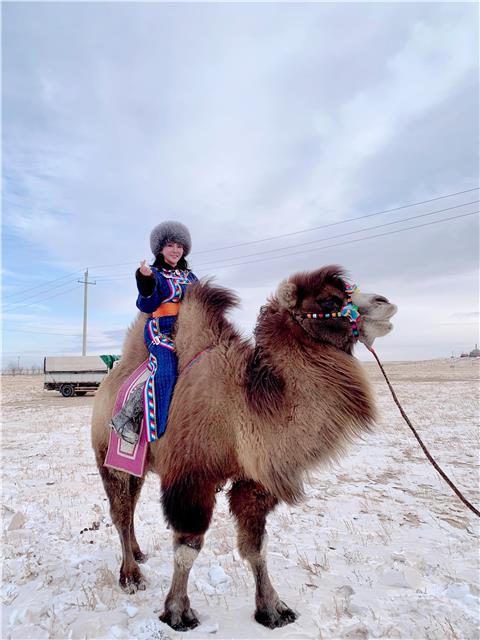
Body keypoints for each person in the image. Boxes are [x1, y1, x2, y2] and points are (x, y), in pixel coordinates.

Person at [111, 221, 197, 444]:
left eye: (179, 245)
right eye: (170, 245)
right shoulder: (155, 274)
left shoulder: (190, 277)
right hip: (161, 330)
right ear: (160, 248)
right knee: (166, 371)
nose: (175, 250)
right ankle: (139, 422)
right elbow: (147, 306)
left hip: (189, 331)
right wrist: (145, 280)